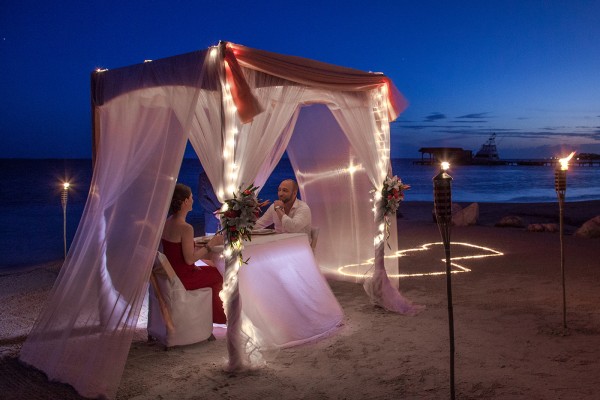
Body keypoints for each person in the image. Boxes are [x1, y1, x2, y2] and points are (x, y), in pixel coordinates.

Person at [161, 183, 226, 324]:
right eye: (191, 198)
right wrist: (211, 244)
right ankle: (219, 318)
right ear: (185, 202)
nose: (193, 200)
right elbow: (190, 259)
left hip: (173, 274)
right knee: (218, 275)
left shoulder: (167, 222)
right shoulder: (186, 228)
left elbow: (177, 256)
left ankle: (213, 316)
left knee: (212, 269)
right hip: (183, 278)